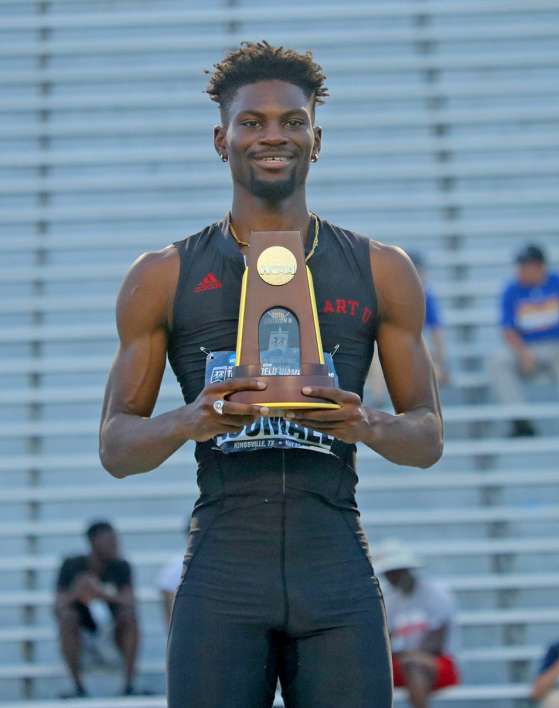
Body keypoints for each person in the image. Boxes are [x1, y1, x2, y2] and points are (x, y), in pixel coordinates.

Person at [98, 42, 442, 707]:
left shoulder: (381, 269)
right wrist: (190, 419)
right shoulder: (161, 274)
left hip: (334, 562)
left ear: (318, 139)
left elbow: (427, 439)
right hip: (224, 569)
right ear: (220, 138)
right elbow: (116, 447)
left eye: (291, 120)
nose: (272, 135)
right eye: (252, 122)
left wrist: (363, 421)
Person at [490, 244, 559, 436]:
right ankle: (520, 418)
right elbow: (507, 329)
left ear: (538, 266)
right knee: (498, 362)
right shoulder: (511, 290)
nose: (519, 271)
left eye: (524, 266)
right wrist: (522, 353)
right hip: (528, 348)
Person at [54, 521, 141, 698]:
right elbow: (58, 606)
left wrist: (100, 593)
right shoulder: (72, 565)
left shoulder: (121, 566)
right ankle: (78, 687)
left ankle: (129, 685)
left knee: (130, 618)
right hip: (83, 627)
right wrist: (77, 592)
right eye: (110, 541)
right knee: (67, 618)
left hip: (113, 626)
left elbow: (130, 602)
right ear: (94, 542)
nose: (115, 545)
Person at [373, 540, 459, 707]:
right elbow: (385, 643)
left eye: (394, 572)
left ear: (406, 570)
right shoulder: (389, 600)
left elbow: (435, 644)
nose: (391, 578)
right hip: (403, 664)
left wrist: (408, 656)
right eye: (388, 573)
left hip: (439, 663)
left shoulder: (436, 594)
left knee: (414, 666)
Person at [364, 251, 449, 409]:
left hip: (409, 351)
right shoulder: (388, 293)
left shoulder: (426, 296)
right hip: (384, 351)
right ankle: (379, 400)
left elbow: (437, 334)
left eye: (420, 272)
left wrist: (442, 363)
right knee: (378, 355)